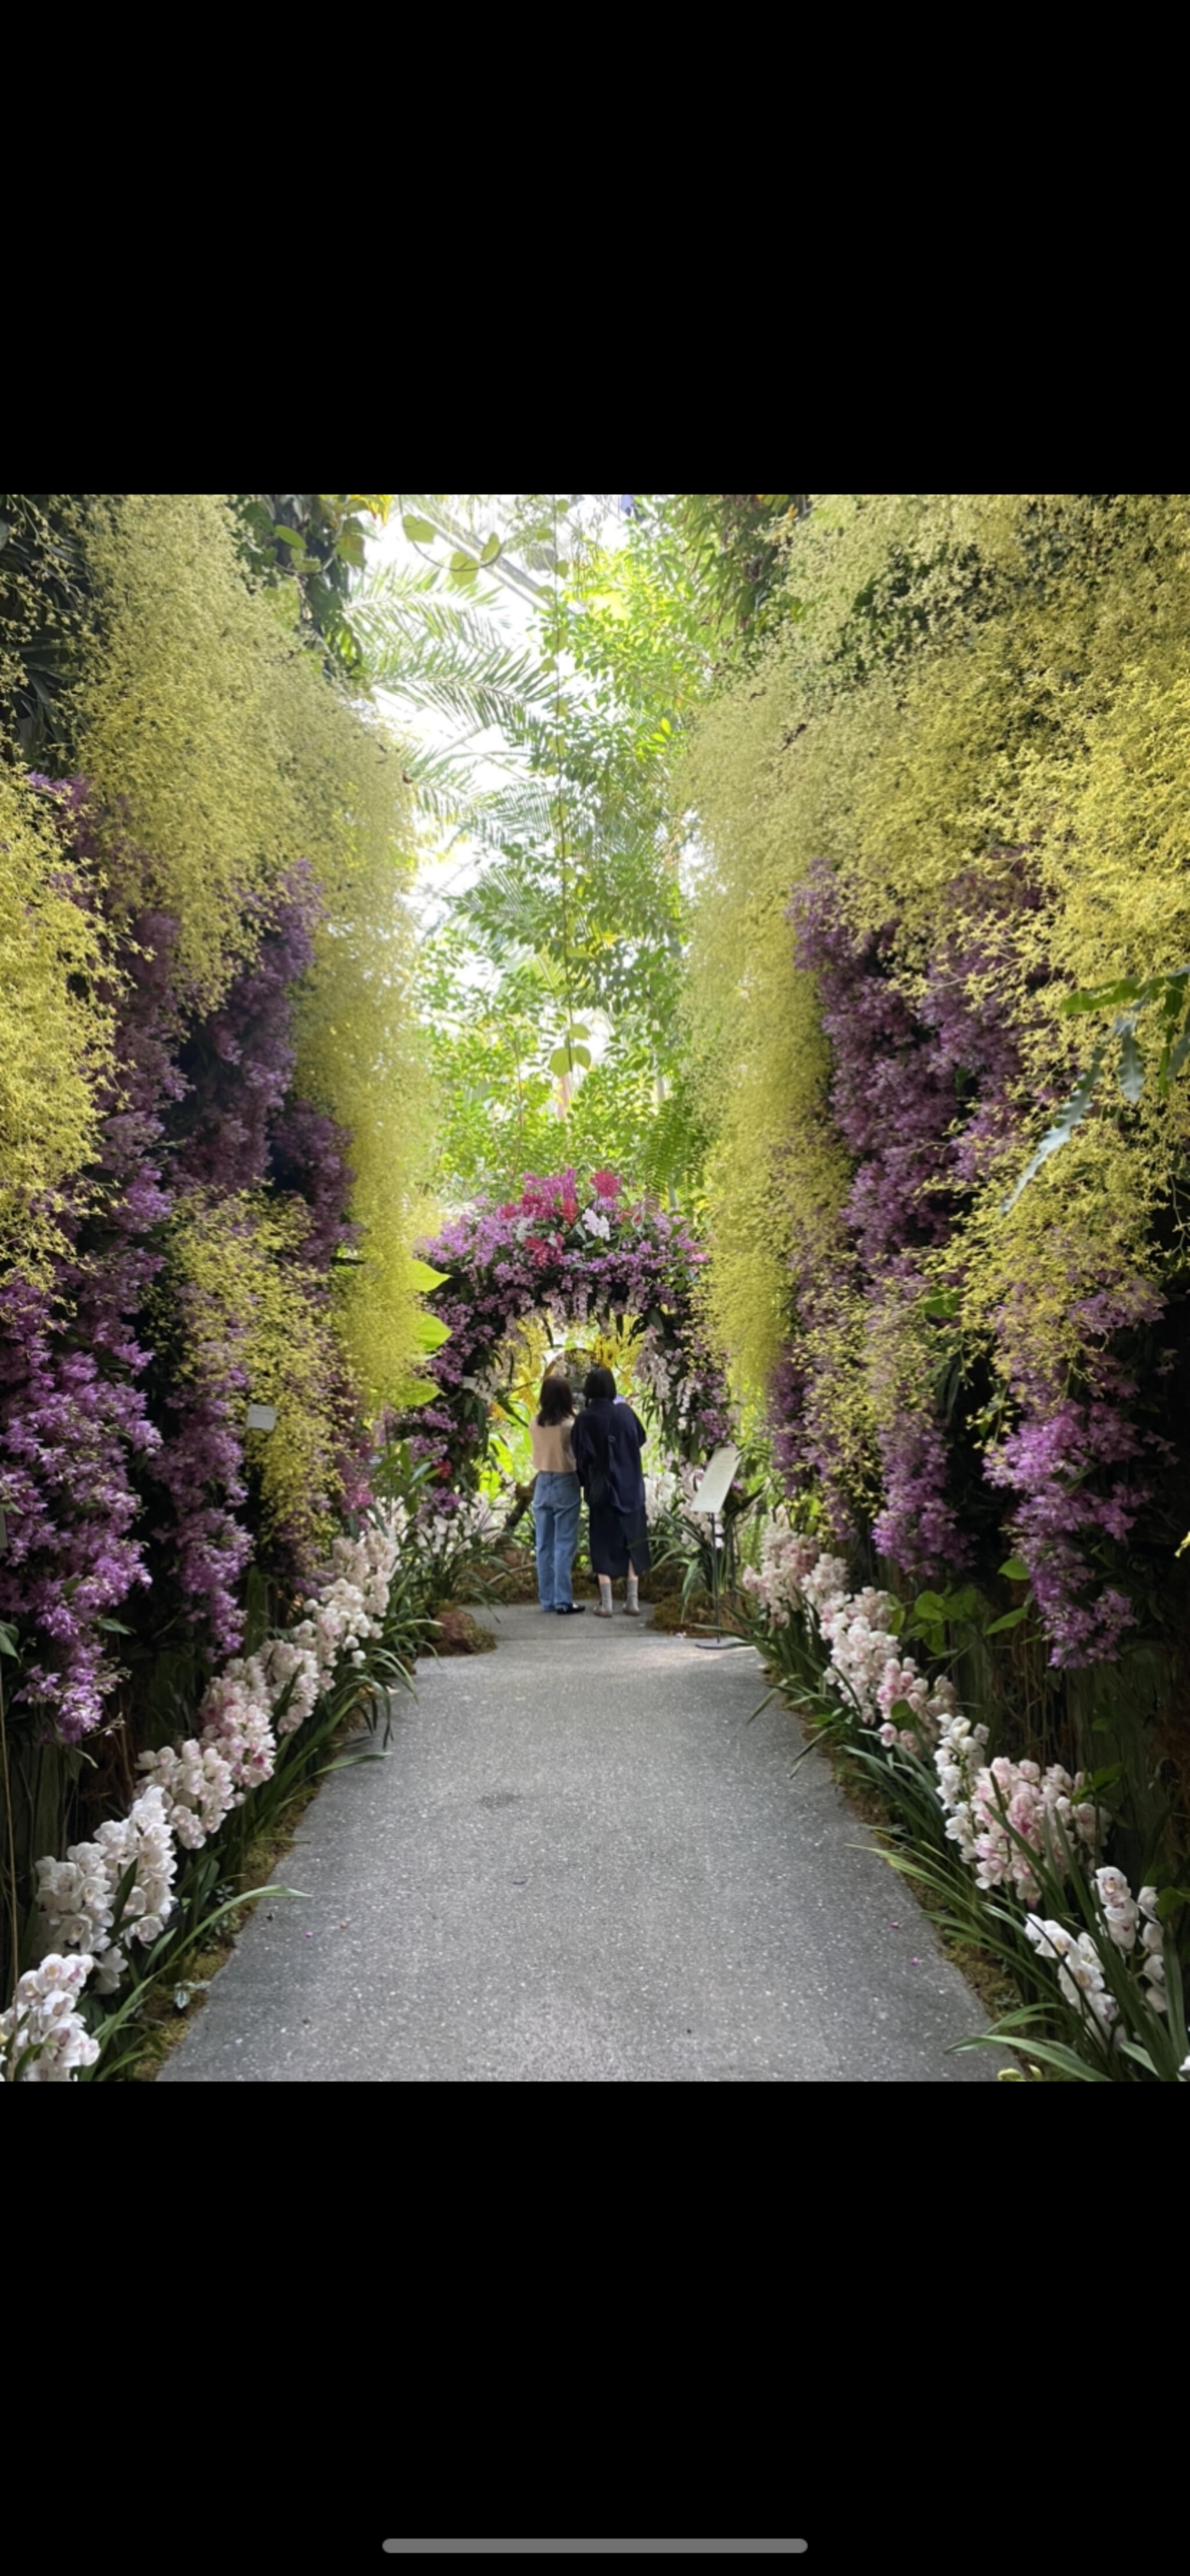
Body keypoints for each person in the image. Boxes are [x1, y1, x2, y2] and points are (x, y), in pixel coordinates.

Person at [571, 1365, 650, 1617]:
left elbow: (580, 1456)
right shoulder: (626, 1413)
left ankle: (606, 1604)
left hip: (602, 1488)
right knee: (632, 1541)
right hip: (631, 1487)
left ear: (588, 1391)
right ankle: (633, 1601)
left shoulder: (584, 1419)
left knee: (602, 1541)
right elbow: (641, 1438)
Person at [530, 1373, 585, 1616]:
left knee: (543, 1545)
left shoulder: (535, 1423)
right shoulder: (570, 1427)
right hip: (565, 1480)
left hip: (542, 1482)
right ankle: (563, 1600)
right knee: (564, 1544)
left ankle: (547, 1600)